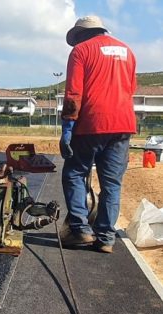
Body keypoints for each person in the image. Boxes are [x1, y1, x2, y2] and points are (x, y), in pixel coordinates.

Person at [60, 15, 137, 253]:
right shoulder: (127, 51)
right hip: (123, 125)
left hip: (92, 123)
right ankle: (106, 238)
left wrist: (68, 128)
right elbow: (130, 88)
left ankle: (81, 229)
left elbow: (74, 92)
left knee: (74, 173)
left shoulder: (81, 51)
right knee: (112, 184)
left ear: (81, 34)